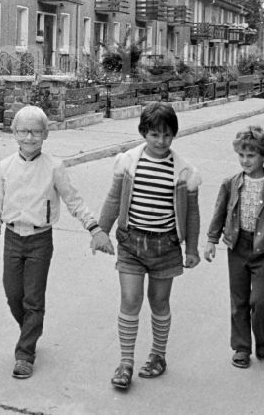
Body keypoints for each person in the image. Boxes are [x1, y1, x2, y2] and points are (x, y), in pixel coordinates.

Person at [0, 105, 114, 380]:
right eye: (23, 131)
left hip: (40, 240)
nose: (29, 137)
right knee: (13, 296)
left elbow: (74, 200)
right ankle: (30, 329)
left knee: (33, 298)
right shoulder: (4, 167)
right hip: (12, 238)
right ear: (14, 133)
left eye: (35, 132)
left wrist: (94, 228)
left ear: (45, 134)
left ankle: (25, 353)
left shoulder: (54, 167)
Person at [98, 102, 201, 391]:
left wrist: (191, 249)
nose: (161, 141)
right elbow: (113, 198)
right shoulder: (129, 162)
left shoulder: (183, 171)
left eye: (167, 136)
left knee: (159, 302)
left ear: (174, 136)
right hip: (131, 243)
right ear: (144, 133)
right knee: (130, 300)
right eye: (155, 135)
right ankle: (126, 362)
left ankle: (158, 355)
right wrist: (101, 231)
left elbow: (192, 214)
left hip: (165, 246)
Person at [203, 126, 264, 369]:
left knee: (261, 300)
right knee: (239, 300)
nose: (245, 160)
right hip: (237, 247)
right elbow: (219, 212)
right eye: (241, 155)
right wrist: (211, 239)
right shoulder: (230, 184)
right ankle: (242, 347)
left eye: (251, 155)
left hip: (263, 250)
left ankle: (261, 336)